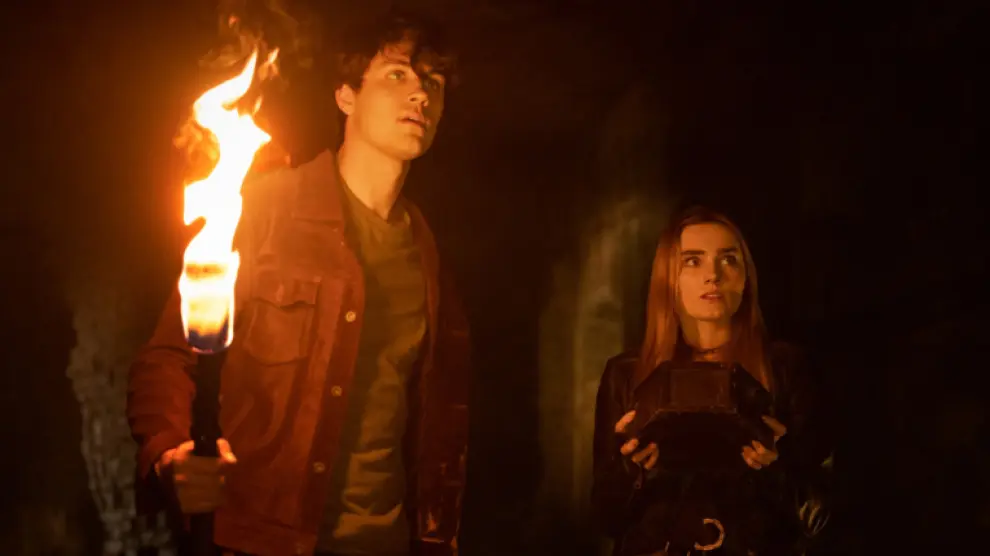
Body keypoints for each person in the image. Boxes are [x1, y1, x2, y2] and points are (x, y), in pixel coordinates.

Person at [127, 10, 471, 556]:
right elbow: (168, 357)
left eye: (434, 82)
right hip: (261, 540)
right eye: (397, 75)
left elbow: (434, 424)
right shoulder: (263, 211)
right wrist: (170, 454)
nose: (420, 95)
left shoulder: (426, 254)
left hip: (382, 544)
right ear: (346, 95)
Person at [591, 206, 833, 555]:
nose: (713, 275)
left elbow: (819, 513)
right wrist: (631, 470)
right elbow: (605, 517)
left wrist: (777, 467)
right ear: (668, 277)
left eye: (729, 259)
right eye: (693, 260)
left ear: (746, 276)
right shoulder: (627, 374)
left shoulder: (784, 367)